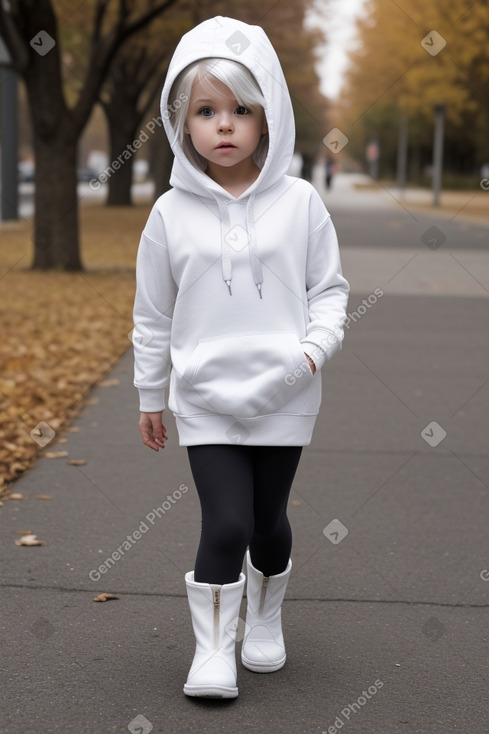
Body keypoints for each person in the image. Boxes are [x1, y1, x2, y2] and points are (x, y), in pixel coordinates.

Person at [132, 16, 350, 700]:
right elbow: (152, 314)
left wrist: (312, 352)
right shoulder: (169, 214)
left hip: (285, 392)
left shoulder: (300, 203)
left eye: (239, 111)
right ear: (181, 123)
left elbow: (330, 292)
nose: (223, 125)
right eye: (205, 111)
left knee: (267, 523)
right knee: (224, 522)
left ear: (266, 118)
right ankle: (212, 651)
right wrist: (149, 392)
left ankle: (264, 616)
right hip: (204, 397)